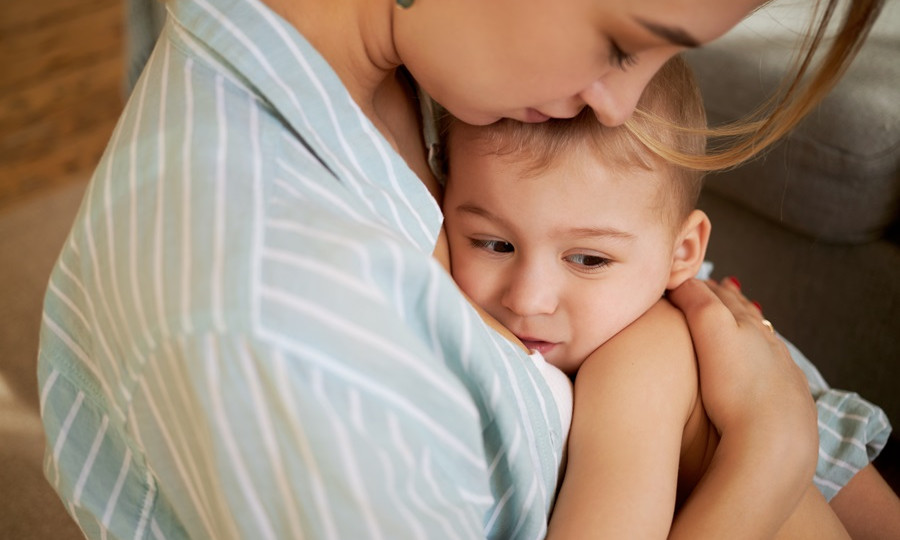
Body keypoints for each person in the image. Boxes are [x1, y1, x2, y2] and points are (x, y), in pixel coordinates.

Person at [37, 0, 889, 537]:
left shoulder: (436, 75)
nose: (618, 106)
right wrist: (770, 452)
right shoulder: (267, 318)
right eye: (619, 40)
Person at [440, 55, 898, 538]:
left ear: (681, 253)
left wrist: (775, 447)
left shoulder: (642, 362)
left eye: (589, 259)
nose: (528, 299)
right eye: (493, 244)